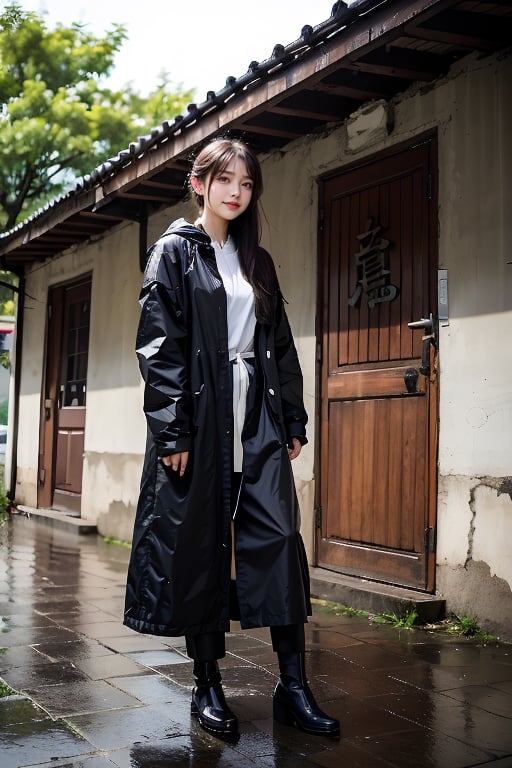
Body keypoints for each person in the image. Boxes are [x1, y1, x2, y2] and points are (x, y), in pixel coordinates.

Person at [124, 137, 340, 741]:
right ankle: (207, 685)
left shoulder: (257, 260)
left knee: (276, 540)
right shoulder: (173, 253)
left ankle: (293, 686)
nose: (236, 193)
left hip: (260, 416)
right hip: (201, 416)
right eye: (225, 181)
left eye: (246, 184)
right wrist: (172, 429)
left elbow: (282, 344)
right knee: (200, 547)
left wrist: (292, 419)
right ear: (200, 184)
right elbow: (159, 346)